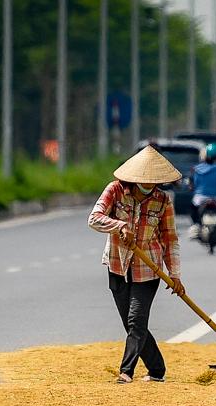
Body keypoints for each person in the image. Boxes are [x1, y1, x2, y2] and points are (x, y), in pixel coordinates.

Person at [87, 146, 186, 384]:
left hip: (148, 268)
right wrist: (119, 226)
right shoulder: (116, 191)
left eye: (155, 181)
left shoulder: (163, 201)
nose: (150, 185)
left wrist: (175, 275)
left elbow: (170, 239)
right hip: (117, 264)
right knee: (131, 324)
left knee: (136, 321)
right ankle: (157, 369)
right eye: (146, 181)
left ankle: (126, 371)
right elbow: (94, 218)